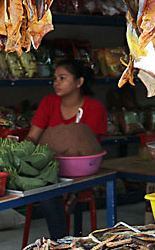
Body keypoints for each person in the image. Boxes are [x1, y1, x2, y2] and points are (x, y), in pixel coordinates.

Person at [25, 59, 107, 239]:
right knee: (48, 189)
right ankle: (61, 242)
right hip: (50, 168)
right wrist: (21, 153)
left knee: (53, 190)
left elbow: (89, 148)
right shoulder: (49, 102)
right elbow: (33, 137)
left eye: (62, 78)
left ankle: (60, 242)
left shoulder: (94, 108)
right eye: (55, 78)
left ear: (79, 82)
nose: (56, 83)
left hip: (82, 170)